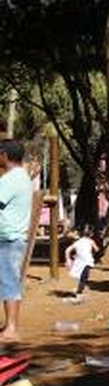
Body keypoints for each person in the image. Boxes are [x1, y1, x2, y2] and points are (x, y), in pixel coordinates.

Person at [0, 140, 33, 341]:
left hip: (9, 239)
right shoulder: (20, 177)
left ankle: (12, 328)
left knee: (9, 281)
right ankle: (9, 325)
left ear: (4, 154)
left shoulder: (11, 179)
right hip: (11, 238)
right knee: (6, 281)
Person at [64, 225, 98, 303]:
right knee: (84, 277)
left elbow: (67, 250)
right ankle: (79, 293)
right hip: (87, 261)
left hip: (79, 262)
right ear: (91, 234)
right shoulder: (91, 241)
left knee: (81, 276)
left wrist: (68, 259)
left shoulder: (77, 242)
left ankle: (79, 290)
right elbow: (96, 249)